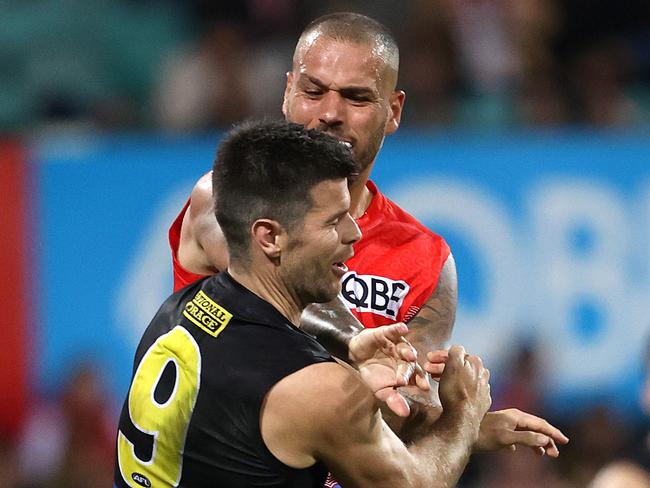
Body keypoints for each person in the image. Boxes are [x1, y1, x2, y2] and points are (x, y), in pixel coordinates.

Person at [166, 11, 568, 473]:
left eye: (356, 97)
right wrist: (360, 345)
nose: (330, 113)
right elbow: (272, 282)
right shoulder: (225, 200)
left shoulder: (427, 261)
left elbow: (405, 414)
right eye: (313, 91)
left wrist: (454, 419)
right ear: (287, 92)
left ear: (393, 111)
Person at [116, 119, 494, 487]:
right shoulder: (316, 389)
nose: (355, 233)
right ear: (270, 237)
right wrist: (464, 413)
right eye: (334, 222)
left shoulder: (175, 311)